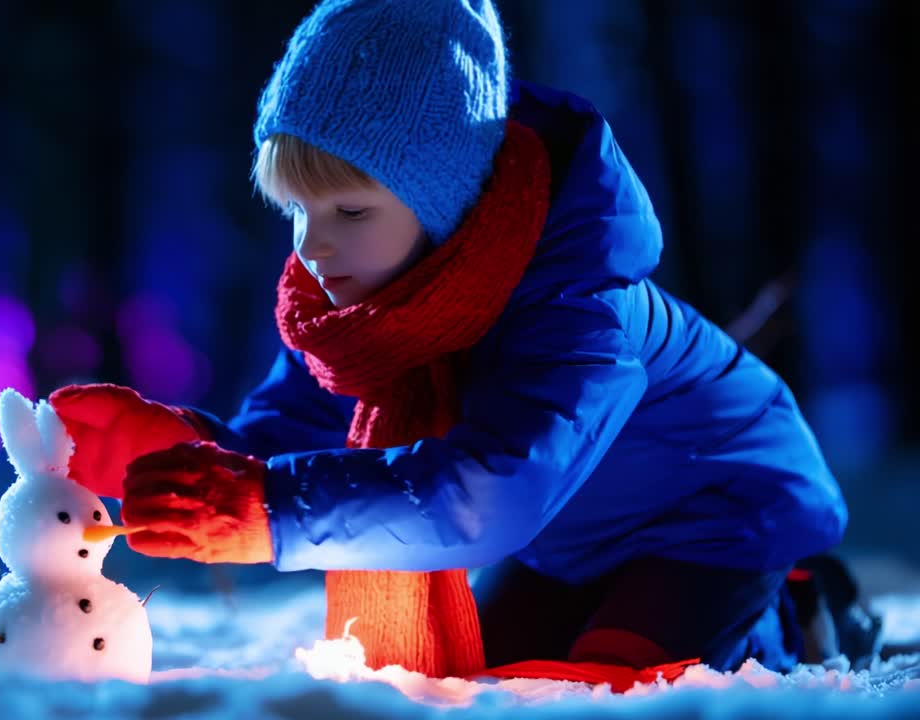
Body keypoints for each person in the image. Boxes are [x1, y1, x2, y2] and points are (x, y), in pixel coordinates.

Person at [49, 0, 872, 681]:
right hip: (573, 536)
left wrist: (268, 510)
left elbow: (492, 491)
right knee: (474, 678)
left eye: (350, 211)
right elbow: (295, 432)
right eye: (296, 209)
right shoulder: (356, 305)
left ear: (442, 201)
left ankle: (794, 611)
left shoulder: (578, 305)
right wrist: (181, 452)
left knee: (606, 688)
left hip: (719, 511)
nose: (311, 245)